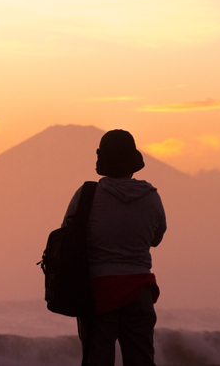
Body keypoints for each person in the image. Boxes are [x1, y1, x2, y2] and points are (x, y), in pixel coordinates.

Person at [61, 130, 166, 366]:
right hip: (140, 289)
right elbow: (156, 239)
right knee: (141, 360)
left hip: (98, 293)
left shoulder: (87, 195)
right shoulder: (151, 197)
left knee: (97, 360)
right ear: (133, 162)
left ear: (102, 160)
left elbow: (68, 239)